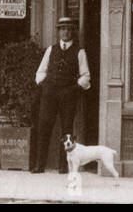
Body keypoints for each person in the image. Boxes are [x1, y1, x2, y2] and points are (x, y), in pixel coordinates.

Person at [31, 16, 91, 173]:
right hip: (49, 93)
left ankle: (64, 166)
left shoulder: (79, 52)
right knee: (44, 126)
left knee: (67, 130)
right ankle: (39, 164)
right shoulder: (52, 50)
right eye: (63, 29)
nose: (66, 32)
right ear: (59, 32)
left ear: (73, 32)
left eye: (69, 29)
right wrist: (44, 84)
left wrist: (74, 88)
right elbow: (40, 71)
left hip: (68, 95)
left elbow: (86, 76)